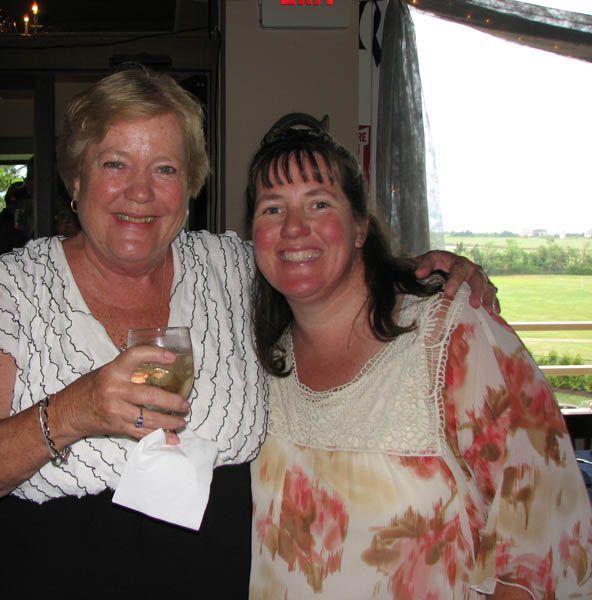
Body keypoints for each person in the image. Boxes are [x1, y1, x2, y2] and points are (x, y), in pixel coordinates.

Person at [0, 68, 495, 598]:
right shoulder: (16, 288)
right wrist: (76, 411)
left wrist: (418, 271)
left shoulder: (231, 270)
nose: (140, 191)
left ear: (191, 186)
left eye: (165, 169)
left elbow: (317, 261)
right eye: (115, 164)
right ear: (76, 178)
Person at [246, 113, 592, 599]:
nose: (294, 228)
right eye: (272, 209)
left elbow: (543, 527)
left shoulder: (449, 333)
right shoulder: (254, 360)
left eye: (319, 203)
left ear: (361, 227)